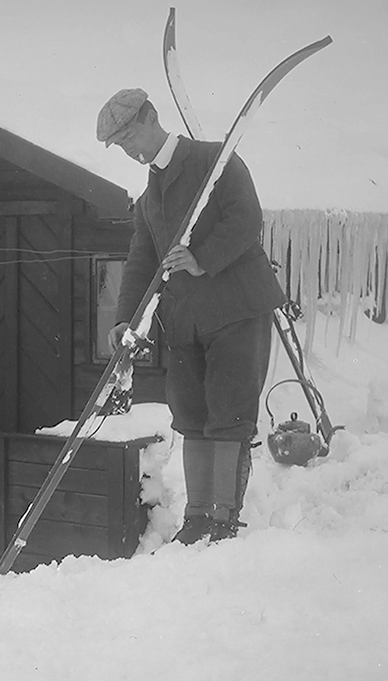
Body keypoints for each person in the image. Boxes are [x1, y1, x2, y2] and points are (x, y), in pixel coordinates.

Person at [97, 88, 285, 544]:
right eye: (120, 146)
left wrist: (202, 258)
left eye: (129, 138)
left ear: (151, 117)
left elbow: (246, 218)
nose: (129, 151)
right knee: (191, 412)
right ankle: (198, 517)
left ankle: (224, 518)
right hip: (186, 321)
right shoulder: (150, 195)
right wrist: (126, 318)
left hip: (236, 308)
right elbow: (142, 256)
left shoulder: (213, 161)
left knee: (229, 411)